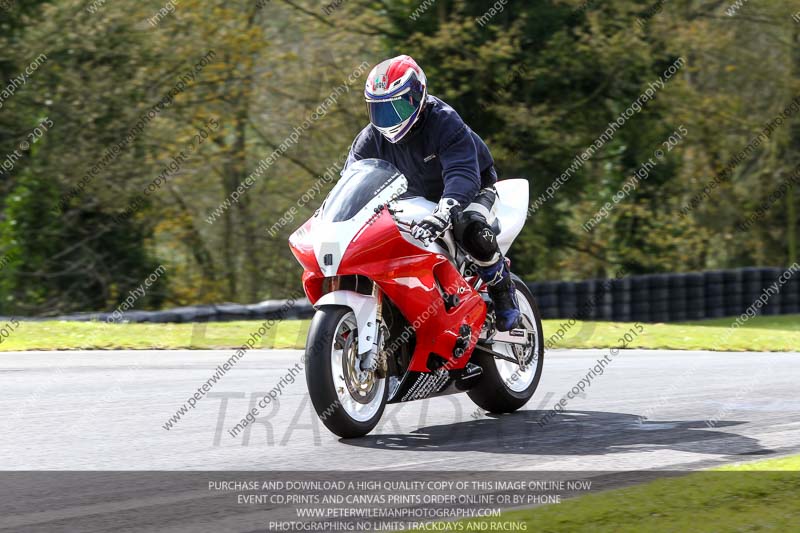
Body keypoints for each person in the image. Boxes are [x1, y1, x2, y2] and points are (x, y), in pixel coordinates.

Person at [342, 54, 521, 331]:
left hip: (471, 188)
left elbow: (463, 172)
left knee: (469, 227)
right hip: (411, 198)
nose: (388, 118)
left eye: (396, 107)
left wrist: (445, 210)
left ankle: (501, 286)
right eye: (380, 109)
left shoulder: (444, 122)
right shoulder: (369, 140)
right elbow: (350, 183)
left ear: (418, 97)